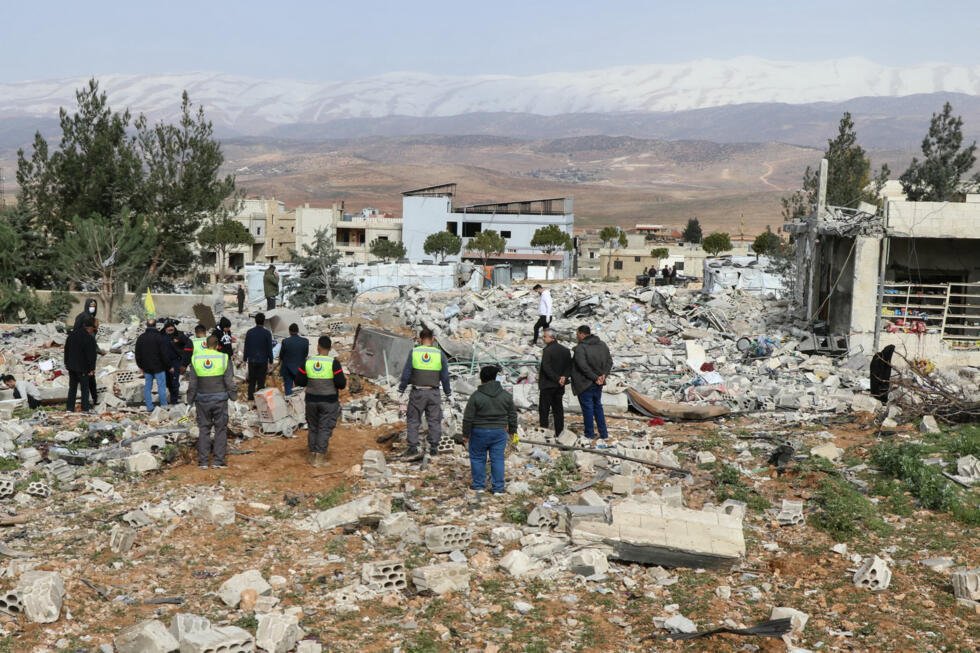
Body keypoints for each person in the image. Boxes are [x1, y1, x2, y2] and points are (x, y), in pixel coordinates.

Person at [462, 366, 517, 498]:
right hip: (499, 432)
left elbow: (468, 418)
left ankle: (479, 486)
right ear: (495, 378)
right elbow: (513, 416)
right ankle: (498, 488)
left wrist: (465, 435)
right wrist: (513, 432)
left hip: (478, 432)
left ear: (482, 379)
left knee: (477, 458)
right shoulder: (506, 396)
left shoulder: (476, 396)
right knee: (497, 459)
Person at [397, 327, 451, 461]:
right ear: (433, 339)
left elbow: (407, 373)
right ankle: (433, 448)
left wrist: (401, 389)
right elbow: (445, 376)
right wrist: (448, 393)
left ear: (420, 339)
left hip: (418, 392)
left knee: (414, 419)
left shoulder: (414, 352)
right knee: (434, 420)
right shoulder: (439, 354)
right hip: (434, 392)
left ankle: (413, 447)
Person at [295, 335, 347, 467]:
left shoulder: (308, 361)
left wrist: (312, 382)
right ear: (330, 348)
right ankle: (319, 458)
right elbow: (341, 383)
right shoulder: (333, 363)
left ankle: (311, 455)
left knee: (313, 427)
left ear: (318, 347)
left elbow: (299, 381)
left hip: (311, 400)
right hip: (328, 401)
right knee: (324, 428)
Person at [187, 334, 236, 469]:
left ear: (206, 344)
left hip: (202, 399)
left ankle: (203, 462)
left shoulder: (196, 358)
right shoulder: (223, 358)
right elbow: (229, 381)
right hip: (220, 399)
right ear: (217, 346)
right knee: (220, 429)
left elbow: (192, 383)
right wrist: (233, 397)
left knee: (204, 429)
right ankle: (218, 461)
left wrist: (189, 400)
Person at [571, 325, 613, 442]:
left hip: (585, 383)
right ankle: (603, 433)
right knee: (598, 407)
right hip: (598, 383)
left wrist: (596, 378)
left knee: (588, 408)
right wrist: (603, 375)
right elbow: (609, 361)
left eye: (577, 334)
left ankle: (589, 434)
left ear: (582, 334)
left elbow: (582, 366)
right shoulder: (602, 345)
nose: (576, 336)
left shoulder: (581, 348)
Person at [538, 328, 572, 436]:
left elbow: (546, 368)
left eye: (545, 336)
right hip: (559, 386)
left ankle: (544, 433)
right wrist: (564, 378)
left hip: (548, 385)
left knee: (544, 410)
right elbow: (569, 367)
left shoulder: (547, 350)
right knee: (558, 410)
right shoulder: (565, 350)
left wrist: (557, 378)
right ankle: (559, 432)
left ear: (552, 337)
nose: (543, 338)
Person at [134, 318, 171, 412]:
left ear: (146, 325)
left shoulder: (141, 338)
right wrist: (168, 366)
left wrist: (140, 366)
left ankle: (149, 407)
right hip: (159, 367)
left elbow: (137, 354)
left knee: (147, 387)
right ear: (155, 325)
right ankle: (164, 406)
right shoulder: (160, 337)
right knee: (161, 386)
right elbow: (164, 354)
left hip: (146, 367)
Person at [64, 317, 97, 412]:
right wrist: (92, 368)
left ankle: (69, 408)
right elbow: (91, 355)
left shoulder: (71, 336)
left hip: (71, 367)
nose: (93, 331)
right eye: (93, 329)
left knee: (72, 388)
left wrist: (66, 363)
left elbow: (66, 351)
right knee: (85, 389)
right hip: (83, 368)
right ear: (89, 328)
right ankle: (85, 408)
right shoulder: (89, 338)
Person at [244, 312, 274, 401]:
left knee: (252, 381)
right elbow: (269, 348)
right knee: (261, 382)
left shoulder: (249, 332)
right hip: (263, 361)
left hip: (252, 360)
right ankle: (260, 401)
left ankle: (250, 399)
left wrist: (245, 358)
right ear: (264, 321)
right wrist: (271, 360)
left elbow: (247, 346)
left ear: (255, 321)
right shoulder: (267, 333)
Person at [161, 319, 192, 404]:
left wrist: (185, 364)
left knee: (174, 381)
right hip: (164, 363)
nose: (170, 328)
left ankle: (174, 401)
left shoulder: (179, 335)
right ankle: (170, 396)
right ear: (165, 328)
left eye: (172, 327)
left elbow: (189, 346)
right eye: (168, 327)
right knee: (167, 382)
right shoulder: (161, 336)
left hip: (176, 362)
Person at [279, 323, 309, 396]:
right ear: (298, 331)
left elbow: (281, 355)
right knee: (300, 388)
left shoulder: (285, 341)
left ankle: (289, 402)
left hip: (287, 368)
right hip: (300, 368)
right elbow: (305, 354)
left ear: (289, 331)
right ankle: (299, 402)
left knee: (288, 386)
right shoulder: (305, 341)